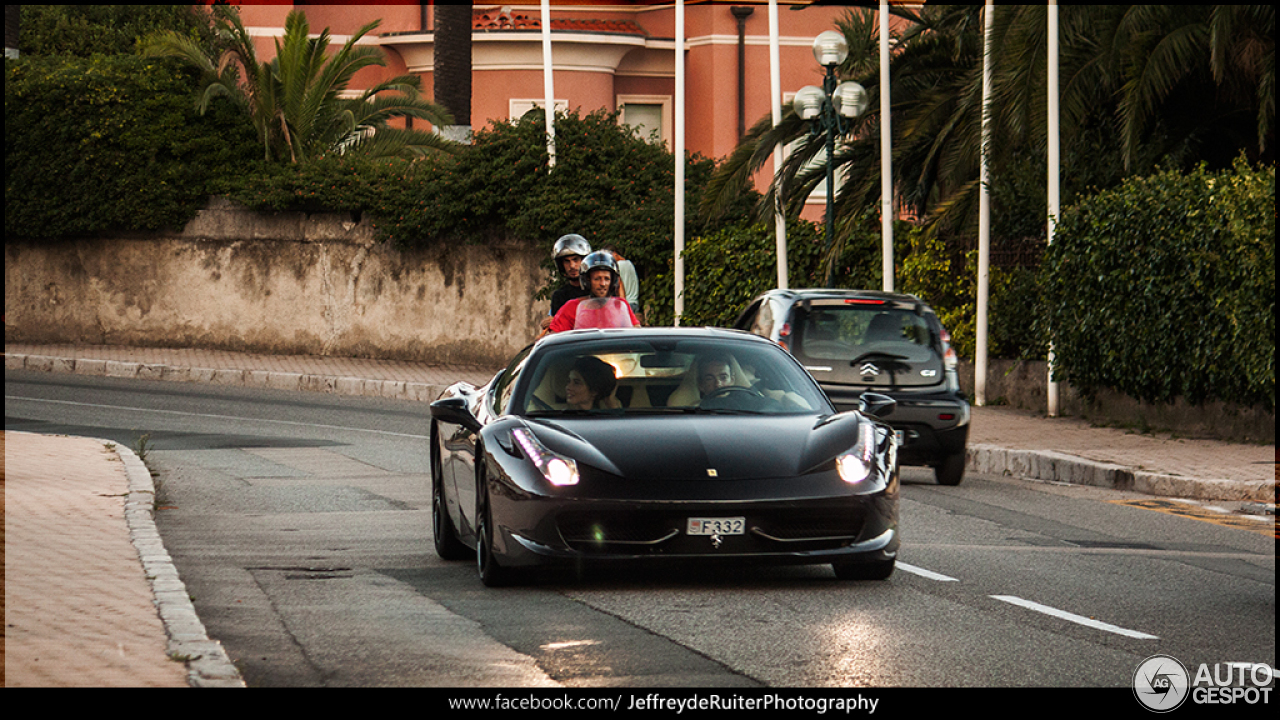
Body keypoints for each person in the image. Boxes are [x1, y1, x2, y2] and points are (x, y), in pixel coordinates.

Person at [542, 251, 640, 335]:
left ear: (612, 281)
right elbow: (554, 338)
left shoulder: (620, 305)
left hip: (618, 355)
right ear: (588, 281)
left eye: (607, 279)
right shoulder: (571, 307)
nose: (602, 284)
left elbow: (636, 332)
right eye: (597, 279)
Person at [546, 234, 592, 325]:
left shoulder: (596, 290)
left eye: (576, 260)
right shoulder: (559, 296)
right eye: (567, 261)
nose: (572, 266)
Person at [601, 244, 640, 315]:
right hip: (634, 303)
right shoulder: (630, 263)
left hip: (625, 305)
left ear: (614, 254)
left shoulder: (617, 266)